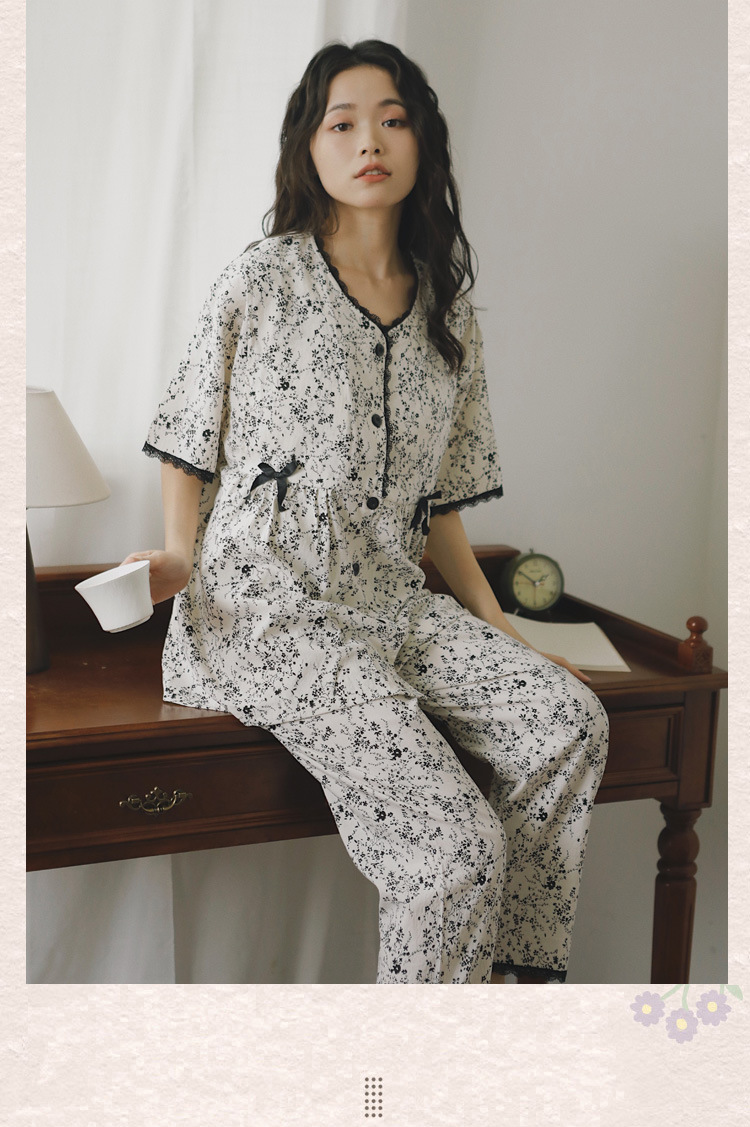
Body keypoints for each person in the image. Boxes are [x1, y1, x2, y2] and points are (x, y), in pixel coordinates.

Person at [124, 39, 609, 984]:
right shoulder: (263, 279)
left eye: (392, 119)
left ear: (423, 139)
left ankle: (513, 987)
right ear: (309, 148)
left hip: (392, 602)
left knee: (569, 721)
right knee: (455, 849)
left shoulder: (447, 311)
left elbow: (444, 504)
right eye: (340, 124)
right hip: (269, 614)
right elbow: (187, 438)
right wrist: (179, 555)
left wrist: (504, 630)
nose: (369, 142)